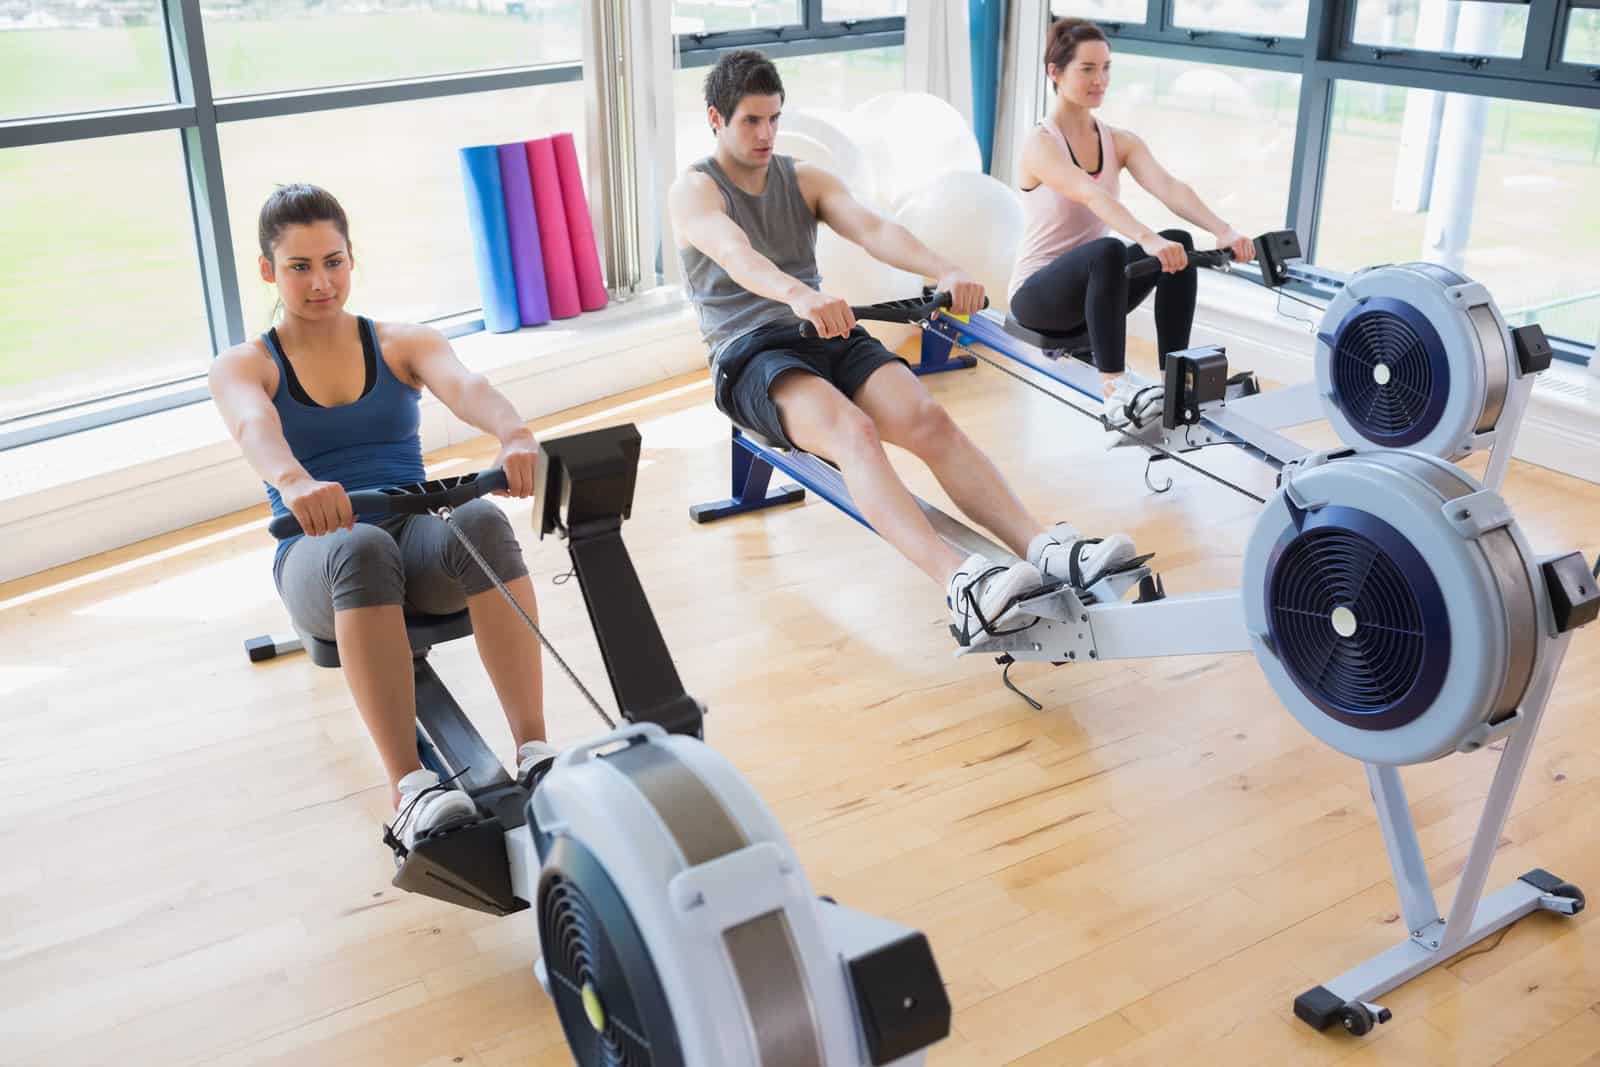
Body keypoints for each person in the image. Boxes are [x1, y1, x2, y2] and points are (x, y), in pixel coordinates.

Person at [669, 49, 1140, 646]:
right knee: (851, 433)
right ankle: (962, 587)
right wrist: (798, 295)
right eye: (750, 122)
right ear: (717, 119)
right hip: (750, 355)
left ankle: (1043, 548)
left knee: (929, 418)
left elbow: (874, 229)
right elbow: (735, 253)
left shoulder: (803, 177)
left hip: (825, 334)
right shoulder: (694, 192)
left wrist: (943, 269)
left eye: (774, 119)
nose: (766, 135)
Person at [208, 183, 556, 849]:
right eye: (300, 267)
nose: (320, 283)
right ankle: (411, 788)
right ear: (267, 271)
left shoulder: (402, 342)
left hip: (412, 537)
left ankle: (536, 749)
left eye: (333, 262)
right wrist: (296, 481)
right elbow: (255, 427)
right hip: (318, 550)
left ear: (351, 260)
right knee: (361, 547)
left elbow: (466, 386)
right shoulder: (244, 364)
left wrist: (514, 435)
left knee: (480, 521)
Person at [1008, 17, 1256, 417]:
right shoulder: (1040, 144)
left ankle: (1175, 379)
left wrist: (1224, 231)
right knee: (1107, 249)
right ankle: (1115, 392)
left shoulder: (1118, 141)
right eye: (1087, 69)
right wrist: (1146, 239)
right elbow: (1090, 194)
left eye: (1105, 68)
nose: (1099, 79)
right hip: (1038, 299)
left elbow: (1170, 187)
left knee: (1180, 240)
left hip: (1096, 295)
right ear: (1054, 72)